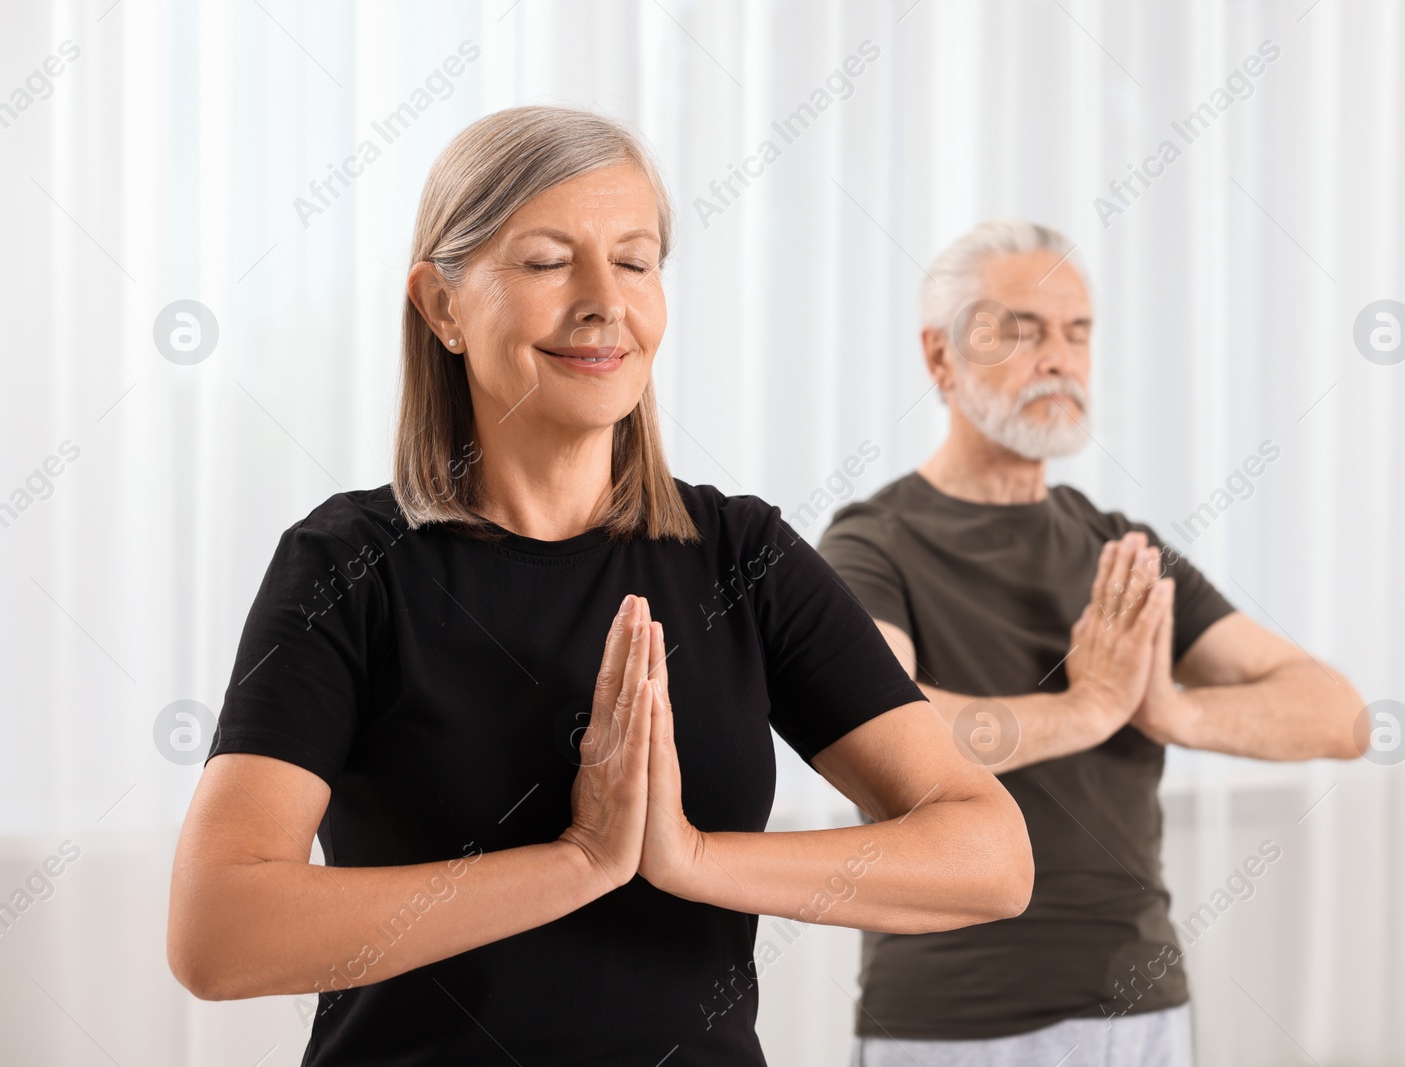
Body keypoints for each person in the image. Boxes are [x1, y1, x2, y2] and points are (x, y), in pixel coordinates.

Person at [165, 107, 1034, 1067]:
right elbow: (220, 929)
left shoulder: (739, 555)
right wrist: (578, 861)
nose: (603, 301)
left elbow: (989, 857)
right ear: (442, 306)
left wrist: (689, 857)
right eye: (545, 261)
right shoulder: (352, 564)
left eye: (634, 260)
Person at [819, 219, 1364, 1067]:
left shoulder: (1119, 548)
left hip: (1140, 1013)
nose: (1059, 358)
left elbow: (1339, 716)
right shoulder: (871, 544)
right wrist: (1087, 708)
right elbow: (886, 735)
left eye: (1077, 332)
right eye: (1023, 329)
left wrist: (1170, 708)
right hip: (949, 1023)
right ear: (939, 358)